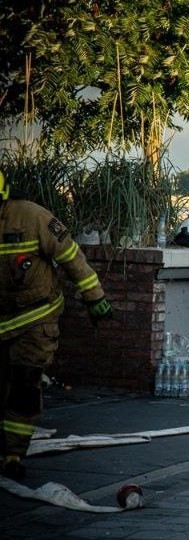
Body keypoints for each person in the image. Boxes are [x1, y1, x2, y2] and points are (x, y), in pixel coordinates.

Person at [1, 169, 113, 480]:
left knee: (24, 384)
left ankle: (13, 454)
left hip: (35, 318)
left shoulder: (34, 218)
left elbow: (71, 256)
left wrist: (94, 297)